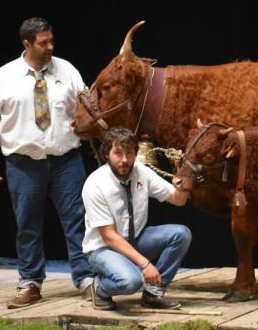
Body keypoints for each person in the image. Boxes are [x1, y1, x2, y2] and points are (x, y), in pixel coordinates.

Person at [0, 17, 96, 309]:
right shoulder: (3, 76)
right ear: (27, 43)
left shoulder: (66, 70)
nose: (50, 47)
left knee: (77, 221)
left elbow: (86, 105)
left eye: (51, 40)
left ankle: (87, 279)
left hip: (66, 161)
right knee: (27, 225)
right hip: (23, 164)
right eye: (44, 43)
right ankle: (30, 282)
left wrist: (86, 117)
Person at [82, 127, 192, 310]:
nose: (124, 160)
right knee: (131, 281)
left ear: (135, 154)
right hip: (103, 249)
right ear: (107, 155)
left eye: (129, 153)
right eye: (118, 153)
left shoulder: (142, 172)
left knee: (181, 234)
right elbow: (109, 236)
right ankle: (98, 289)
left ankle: (153, 294)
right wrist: (146, 265)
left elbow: (178, 201)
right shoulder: (95, 184)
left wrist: (182, 185)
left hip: (135, 240)